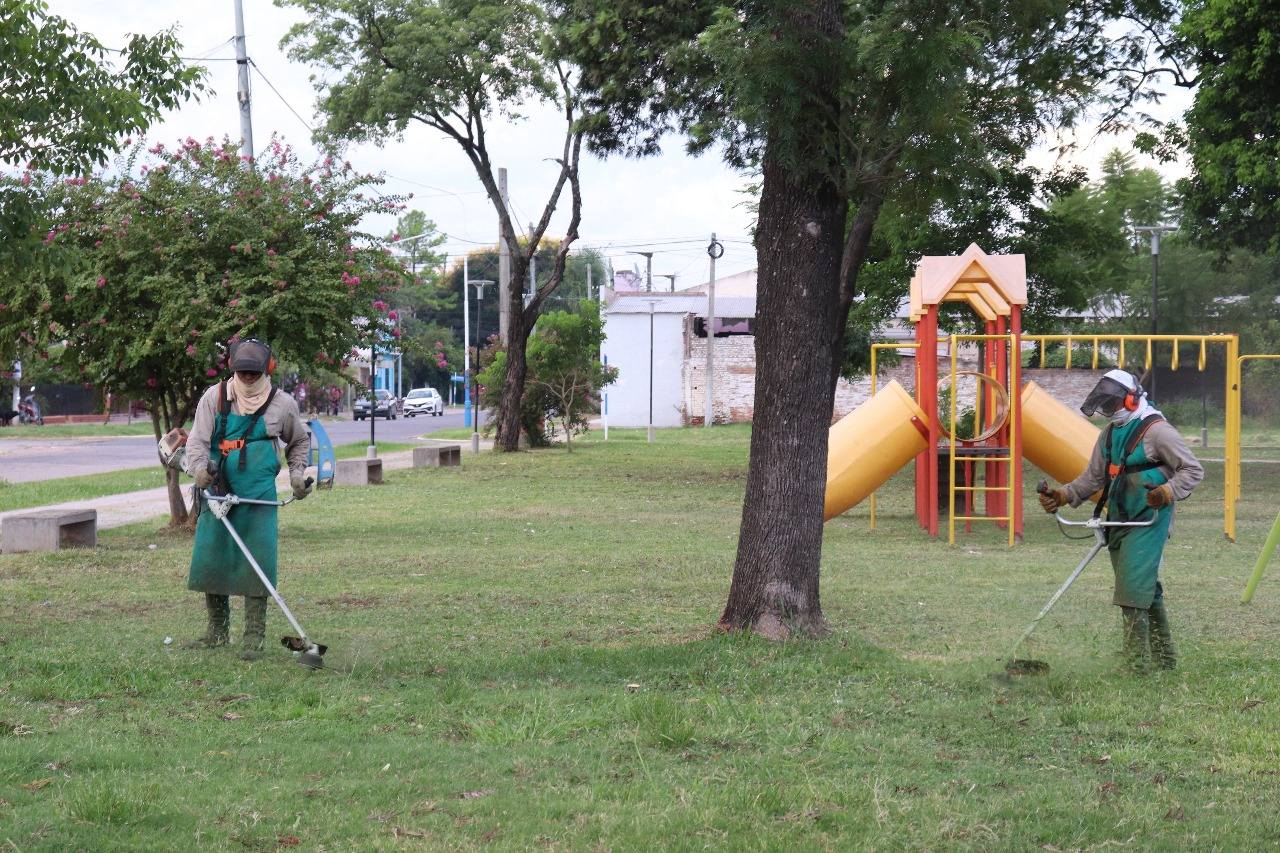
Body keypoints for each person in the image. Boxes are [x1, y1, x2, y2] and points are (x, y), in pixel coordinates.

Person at [1039, 369, 1203, 672]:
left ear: (1131, 398)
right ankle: (1165, 659)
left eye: (1114, 404)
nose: (1110, 411)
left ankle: (1135, 665)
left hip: (1149, 519)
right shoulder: (1111, 432)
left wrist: (1167, 492)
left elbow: (1192, 470)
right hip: (1119, 517)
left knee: (1131, 590)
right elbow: (1094, 477)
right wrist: (1063, 495)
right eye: (1106, 406)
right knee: (1144, 589)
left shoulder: (1157, 431)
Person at [183, 339, 312, 660]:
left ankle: (253, 639)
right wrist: (200, 472)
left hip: (258, 497)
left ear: (267, 369)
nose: (249, 378)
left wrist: (297, 476)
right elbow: (197, 442)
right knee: (213, 558)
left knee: (258, 564)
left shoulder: (282, 405)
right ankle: (217, 632)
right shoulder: (214, 398)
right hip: (217, 494)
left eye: (255, 373)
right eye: (243, 373)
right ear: (233, 369)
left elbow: (298, 442)